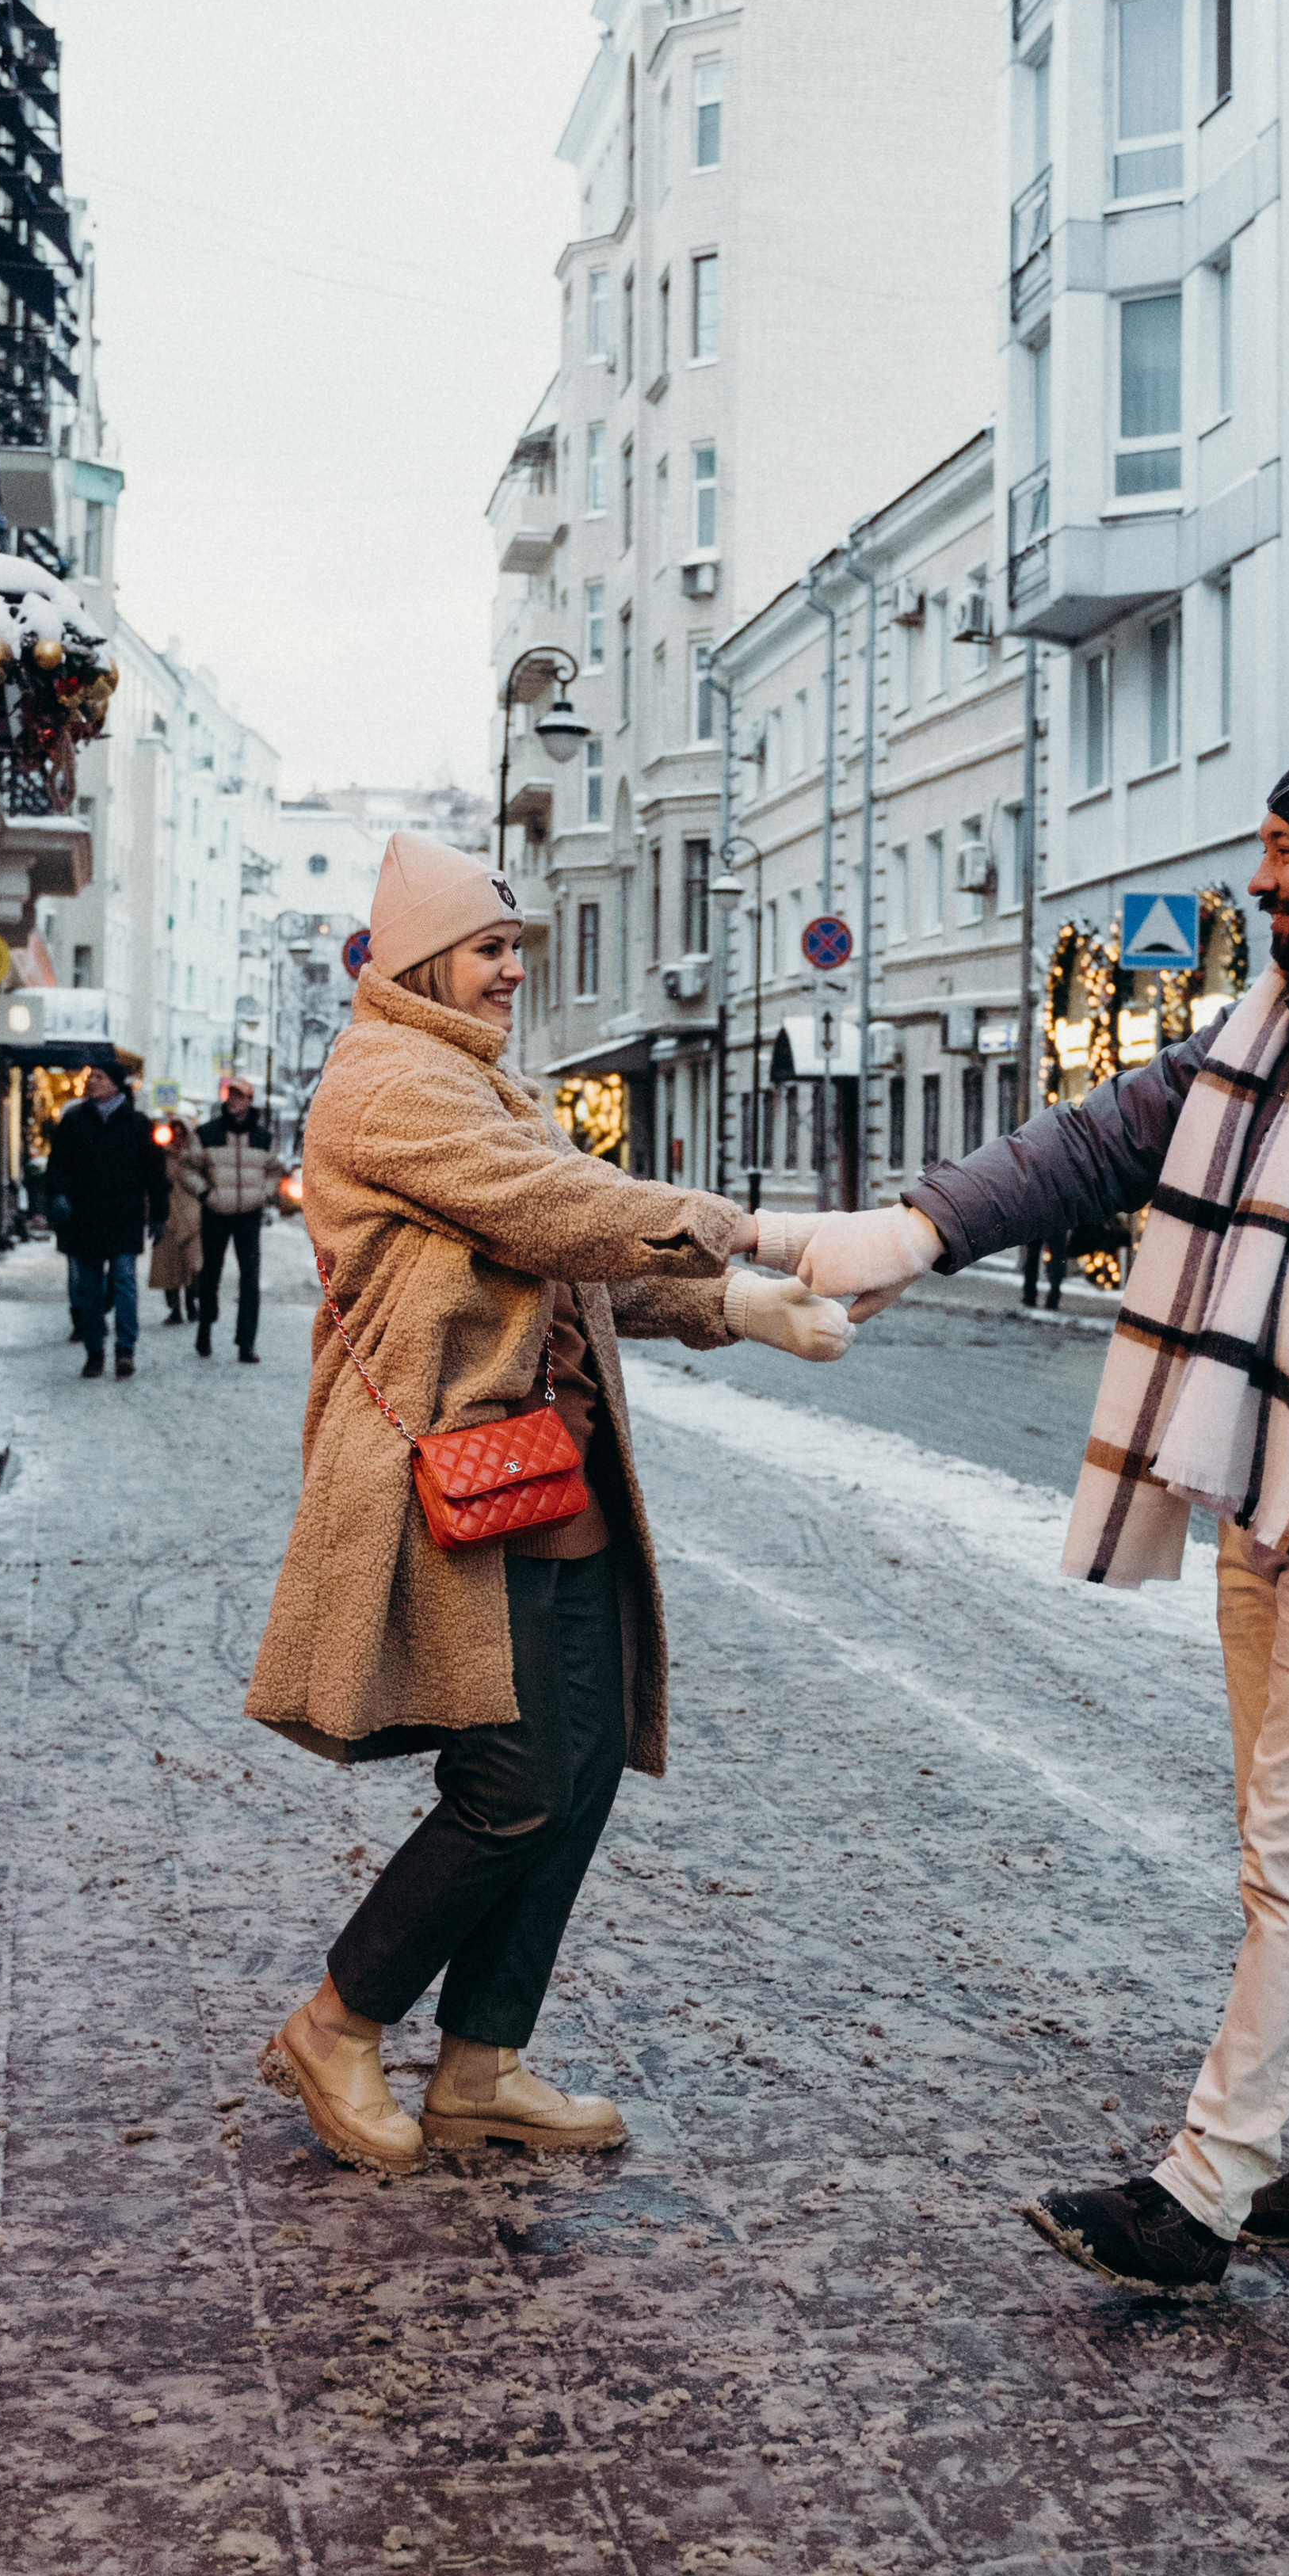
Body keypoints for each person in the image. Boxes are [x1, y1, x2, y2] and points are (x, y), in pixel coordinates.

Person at [785, 725, 1289, 2294]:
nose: (1260, 874)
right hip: (1257, 1474)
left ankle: (1202, 2192)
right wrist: (913, 1231)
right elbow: (1095, 1142)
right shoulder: (1273, 1016)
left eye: (1284, 851)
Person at [246, 832, 851, 2174]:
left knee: (575, 1775)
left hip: (547, 1474)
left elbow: (578, 1267)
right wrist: (746, 1230)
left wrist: (738, 1310)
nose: (517, 969)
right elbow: (553, 1208)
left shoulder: (477, 1079)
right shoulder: (391, 1082)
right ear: (421, 962)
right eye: (493, 948)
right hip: (451, 1481)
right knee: (514, 1782)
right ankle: (338, 2024)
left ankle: (481, 2060)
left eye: (516, 948)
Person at [44, 1053, 170, 1381]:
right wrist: (57, 1196)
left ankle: (125, 1349)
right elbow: (57, 1166)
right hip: (83, 1219)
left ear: (115, 1084)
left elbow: (154, 1173)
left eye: (99, 1076)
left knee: (125, 1282)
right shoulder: (74, 1121)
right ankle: (94, 1351)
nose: (91, 1081)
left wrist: (159, 1213)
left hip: (123, 1217)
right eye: (91, 1076)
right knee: (89, 1289)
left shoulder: (137, 1124)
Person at [185, 1073, 282, 1365]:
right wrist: (205, 1194)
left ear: (250, 1101)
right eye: (232, 1095)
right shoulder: (208, 1133)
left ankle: (246, 1342)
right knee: (210, 1274)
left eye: (241, 1096)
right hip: (215, 1213)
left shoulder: (264, 1138)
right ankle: (205, 1327)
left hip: (249, 1215)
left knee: (250, 1279)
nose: (235, 1101)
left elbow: (275, 1172)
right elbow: (188, 1168)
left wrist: (262, 1194)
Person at [148, 1115, 204, 1325]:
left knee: (193, 1265)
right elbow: (156, 1180)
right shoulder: (161, 1155)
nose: (178, 1136)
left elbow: (202, 1172)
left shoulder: (196, 1156)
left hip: (191, 1217)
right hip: (168, 1216)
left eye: (182, 1132)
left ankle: (192, 1304)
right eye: (175, 1132)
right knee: (168, 1267)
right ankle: (175, 1309)